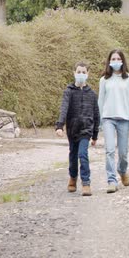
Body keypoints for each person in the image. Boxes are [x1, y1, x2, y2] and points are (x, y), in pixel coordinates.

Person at [55, 62, 100, 196]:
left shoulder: (92, 94)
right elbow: (64, 108)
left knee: (83, 154)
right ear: (74, 73)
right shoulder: (68, 92)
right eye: (79, 72)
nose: (81, 74)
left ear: (88, 74)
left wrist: (95, 135)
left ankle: (86, 183)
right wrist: (60, 126)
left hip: (86, 130)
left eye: (84, 72)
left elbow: (96, 114)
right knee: (73, 155)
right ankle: (73, 177)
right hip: (72, 129)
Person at [98, 49, 129, 193]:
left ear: (122, 61)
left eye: (118, 59)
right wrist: (98, 123)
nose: (115, 61)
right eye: (113, 59)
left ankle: (122, 170)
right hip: (108, 118)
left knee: (123, 153)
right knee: (109, 150)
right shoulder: (104, 80)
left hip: (124, 119)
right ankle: (111, 180)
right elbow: (100, 101)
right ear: (109, 61)